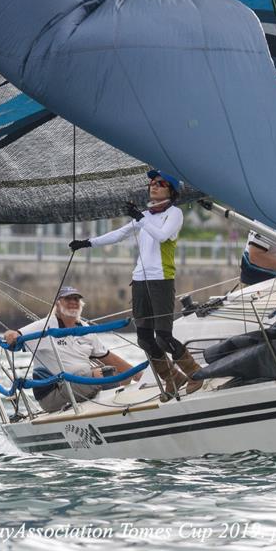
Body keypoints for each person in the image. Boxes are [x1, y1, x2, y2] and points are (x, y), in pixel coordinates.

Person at [68, 169, 202, 400]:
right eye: (152, 182)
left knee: (163, 336)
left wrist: (140, 219)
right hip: (139, 280)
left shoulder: (174, 214)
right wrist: (87, 243)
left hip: (161, 279)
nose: (154, 185)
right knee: (144, 338)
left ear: (171, 190)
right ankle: (173, 379)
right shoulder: (146, 215)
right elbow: (119, 234)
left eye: (161, 183)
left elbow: (162, 236)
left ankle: (195, 374)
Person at [2, 286, 141, 413]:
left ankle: (108, 406)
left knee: (123, 373)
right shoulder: (46, 325)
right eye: (67, 299)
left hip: (82, 384)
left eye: (76, 299)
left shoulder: (85, 328)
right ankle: (111, 412)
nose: (73, 301)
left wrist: (137, 374)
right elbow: (14, 335)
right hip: (53, 392)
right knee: (105, 373)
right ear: (57, 304)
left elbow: (106, 356)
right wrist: (10, 335)